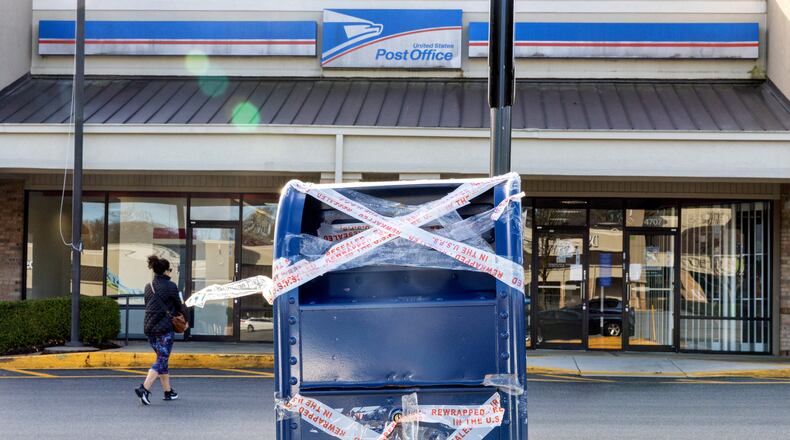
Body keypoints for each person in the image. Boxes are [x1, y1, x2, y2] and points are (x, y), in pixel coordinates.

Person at [135, 255, 187, 405]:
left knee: (162, 359)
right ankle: (144, 389)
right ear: (165, 271)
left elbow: (148, 305)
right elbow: (178, 306)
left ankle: (168, 392)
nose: (170, 272)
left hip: (150, 328)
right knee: (161, 359)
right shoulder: (171, 286)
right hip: (165, 329)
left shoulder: (148, 286)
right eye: (170, 270)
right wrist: (186, 319)